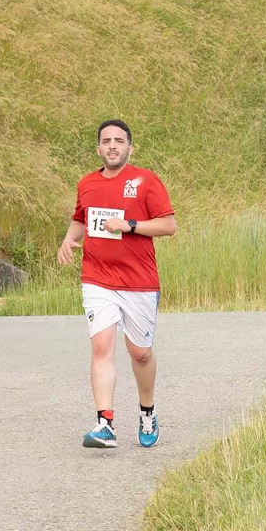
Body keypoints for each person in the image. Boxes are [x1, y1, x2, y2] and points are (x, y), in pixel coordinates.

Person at [57, 118, 176, 448]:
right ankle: (104, 424)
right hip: (97, 278)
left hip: (139, 282)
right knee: (101, 346)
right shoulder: (87, 183)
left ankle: (147, 411)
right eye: (106, 141)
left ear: (129, 149)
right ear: (98, 148)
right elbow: (80, 218)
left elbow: (168, 225)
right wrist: (68, 239)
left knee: (141, 354)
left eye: (119, 141)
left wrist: (130, 225)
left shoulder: (146, 181)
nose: (112, 146)